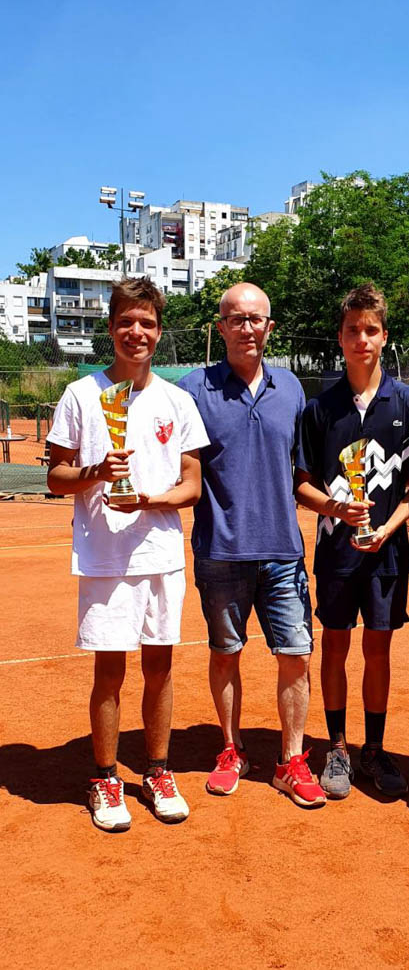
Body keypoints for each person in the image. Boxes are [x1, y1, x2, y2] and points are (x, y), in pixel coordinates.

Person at [47, 276, 208, 832]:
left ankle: (157, 770)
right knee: (109, 671)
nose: (135, 332)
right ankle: (105, 777)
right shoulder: (80, 394)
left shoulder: (178, 400)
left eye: (146, 323)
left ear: (158, 333)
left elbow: (192, 484)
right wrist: (94, 473)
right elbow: (55, 477)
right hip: (105, 558)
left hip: (161, 554)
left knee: (161, 669)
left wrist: (149, 499)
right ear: (110, 328)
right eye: (126, 322)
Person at [178, 282, 325, 808]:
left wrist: (338, 505)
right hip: (219, 552)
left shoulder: (291, 389)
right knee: (225, 654)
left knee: (296, 656)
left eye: (255, 319)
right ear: (220, 328)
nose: (246, 328)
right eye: (235, 319)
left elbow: (304, 470)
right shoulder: (195, 389)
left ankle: (291, 760)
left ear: (269, 327)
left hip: (284, 553)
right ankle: (230, 749)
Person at [295, 284, 409, 799]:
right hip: (335, 553)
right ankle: (337, 747)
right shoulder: (319, 409)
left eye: (370, 330)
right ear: (341, 337)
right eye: (353, 330)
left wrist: (390, 528)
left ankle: (374, 749)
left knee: (378, 650)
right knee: (334, 645)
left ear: (384, 337)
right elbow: (301, 481)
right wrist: (334, 508)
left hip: (388, 555)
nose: (361, 339)